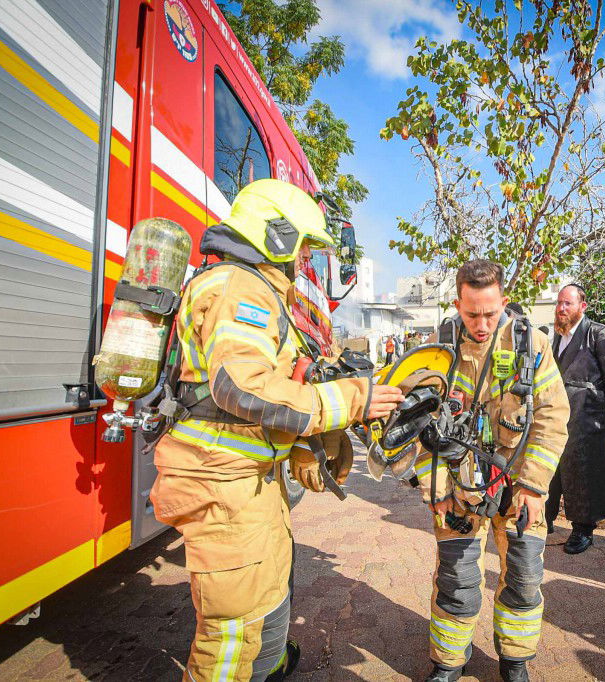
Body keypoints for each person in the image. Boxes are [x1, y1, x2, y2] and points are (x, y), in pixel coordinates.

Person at [149, 179, 404, 682]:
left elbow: (265, 391)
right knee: (231, 634)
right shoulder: (239, 287)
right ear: (277, 234)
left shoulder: (251, 286)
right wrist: (354, 400)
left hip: (242, 479)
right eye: (305, 245)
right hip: (223, 484)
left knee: (261, 600)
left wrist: (303, 448)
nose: (305, 259)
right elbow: (240, 388)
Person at [412, 259, 569, 682]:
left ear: (504, 301)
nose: (481, 324)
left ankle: (515, 660)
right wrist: (437, 490)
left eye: (490, 313)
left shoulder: (529, 344)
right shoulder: (438, 350)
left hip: (519, 487)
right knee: (458, 581)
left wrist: (535, 487)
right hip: (458, 489)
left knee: (524, 575)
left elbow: (552, 417)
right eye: (471, 314)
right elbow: (420, 426)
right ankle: (447, 663)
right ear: (456, 303)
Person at [545, 284, 605, 553]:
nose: (561, 308)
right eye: (559, 303)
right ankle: (544, 522)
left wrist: (600, 406)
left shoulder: (598, 333)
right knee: (555, 470)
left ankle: (583, 529)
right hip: (557, 415)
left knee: (585, 473)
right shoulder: (557, 336)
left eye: (567, 303)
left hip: (587, 417)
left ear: (583, 306)